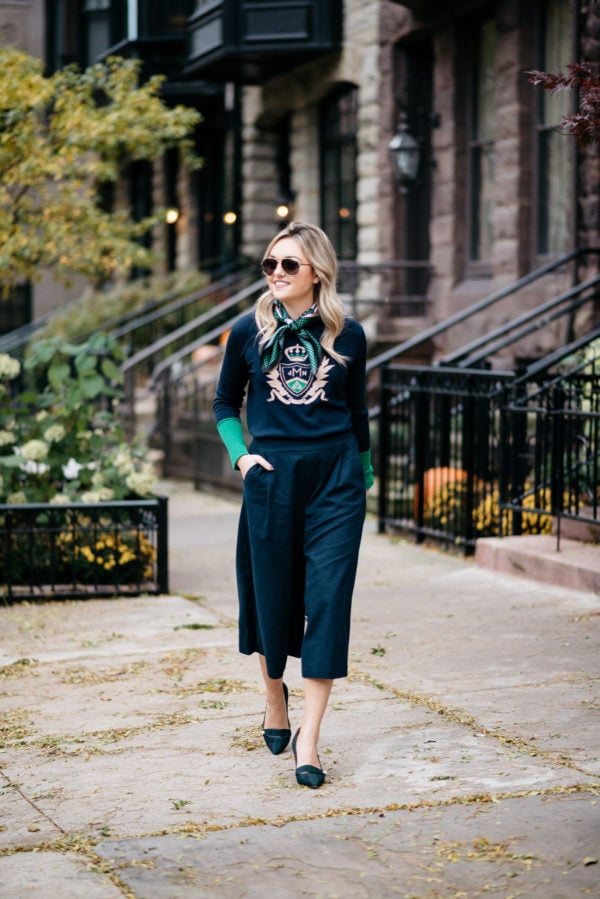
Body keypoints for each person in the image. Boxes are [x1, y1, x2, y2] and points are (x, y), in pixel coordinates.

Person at [213, 221, 374, 789]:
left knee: (328, 599)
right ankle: (273, 695)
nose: (276, 274)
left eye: (289, 265)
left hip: (335, 477)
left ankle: (309, 737)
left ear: (317, 273)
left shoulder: (348, 334)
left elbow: (358, 414)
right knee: (272, 597)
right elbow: (225, 404)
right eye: (270, 264)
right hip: (273, 474)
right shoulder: (246, 331)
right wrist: (242, 458)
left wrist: (364, 474)